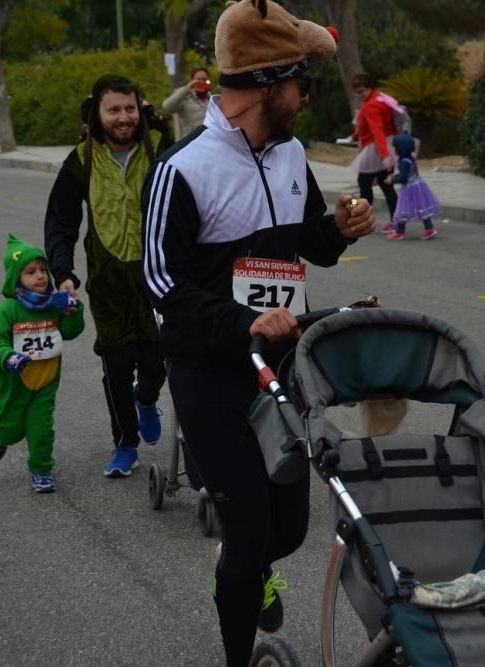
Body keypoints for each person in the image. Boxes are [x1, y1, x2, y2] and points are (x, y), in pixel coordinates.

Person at [141, 2, 373, 664]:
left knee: (289, 525)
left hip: (279, 364)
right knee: (247, 526)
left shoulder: (291, 152)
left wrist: (338, 232)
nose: (306, 99)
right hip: (207, 369)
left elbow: (304, 244)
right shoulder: (182, 169)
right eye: (301, 85)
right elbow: (161, 282)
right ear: (269, 83)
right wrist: (242, 321)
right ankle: (238, 651)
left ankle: (245, 564)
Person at [44, 74, 172, 478]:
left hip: (158, 279)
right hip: (107, 282)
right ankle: (125, 442)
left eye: (129, 108)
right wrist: (63, 273)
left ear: (141, 110)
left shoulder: (162, 152)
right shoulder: (81, 159)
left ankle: (147, 398)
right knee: (117, 363)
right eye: (113, 109)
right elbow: (61, 222)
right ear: (98, 114)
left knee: (156, 362)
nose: (123, 117)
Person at [0, 234, 85, 493]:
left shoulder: (53, 305)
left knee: (41, 431)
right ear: (17, 279)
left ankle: (41, 469)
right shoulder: (9, 310)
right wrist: (7, 356)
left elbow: (71, 332)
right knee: (11, 430)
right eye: (31, 272)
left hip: (45, 382)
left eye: (42, 270)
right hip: (14, 384)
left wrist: (73, 311)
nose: (40, 276)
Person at [345, 72, 398, 231]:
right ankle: (395, 221)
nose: (359, 95)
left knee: (365, 185)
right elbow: (369, 128)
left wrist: (384, 156)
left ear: (369, 88)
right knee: (386, 187)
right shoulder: (380, 98)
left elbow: (377, 131)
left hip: (376, 152)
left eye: (361, 91)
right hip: (386, 148)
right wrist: (354, 136)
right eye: (357, 91)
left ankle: (353, 212)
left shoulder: (371, 106)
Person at [385, 133, 439, 240]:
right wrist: (396, 175)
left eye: (395, 147)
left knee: (402, 209)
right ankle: (429, 228)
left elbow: (404, 178)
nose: (394, 149)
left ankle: (399, 232)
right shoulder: (411, 158)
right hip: (418, 185)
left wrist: (392, 180)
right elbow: (409, 173)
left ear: (399, 149)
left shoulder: (403, 162)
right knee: (422, 207)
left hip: (409, 188)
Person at [162, 66, 213, 138]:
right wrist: (186, 89)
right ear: (192, 81)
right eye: (198, 80)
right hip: (191, 144)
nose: (201, 82)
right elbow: (166, 107)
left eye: (204, 80)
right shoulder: (185, 100)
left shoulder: (213, 100)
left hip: (210, 142)